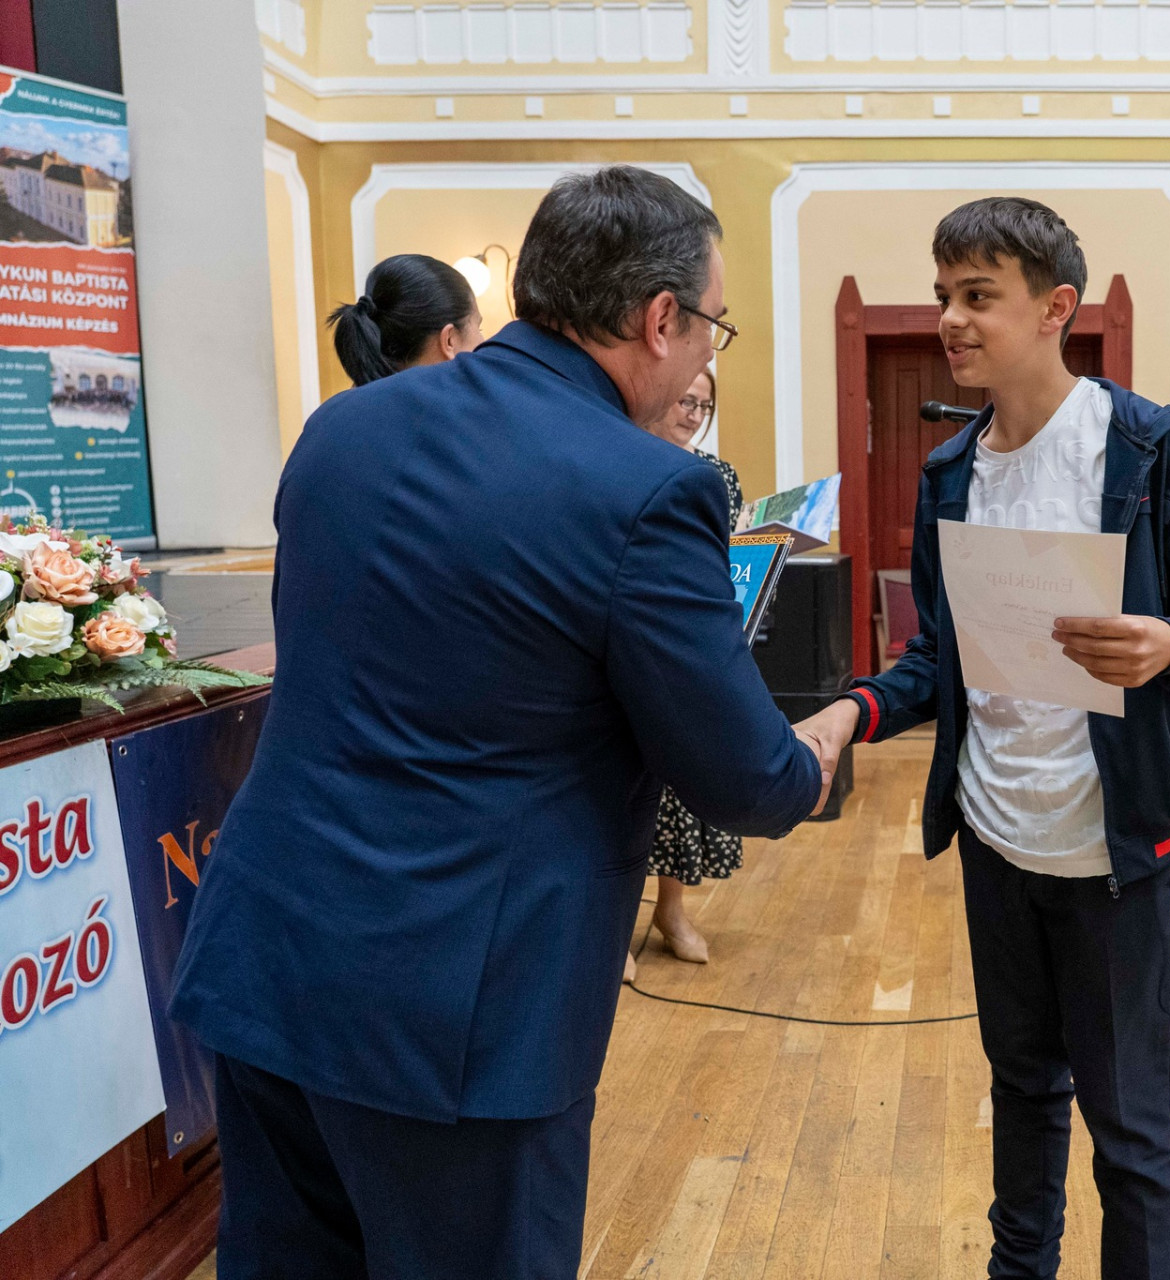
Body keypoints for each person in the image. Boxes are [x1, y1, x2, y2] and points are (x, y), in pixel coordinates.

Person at [170, 167, 836, 1280]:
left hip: (266, 958)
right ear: (658, 319)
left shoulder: (341, 428)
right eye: (711, 328)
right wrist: (821, 746)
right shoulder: (648, 489)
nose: (704, 360)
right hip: (456, 1020)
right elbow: (741, 778)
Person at [796, 197, 1170, 1280]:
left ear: (1055, 308)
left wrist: (1169, 642)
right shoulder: (951, 472)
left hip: (1114, 851)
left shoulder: (1143, 447)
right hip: (997, 841)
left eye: (977, 296)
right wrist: (848, 713)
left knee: (1130, 1131)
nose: (949, 317)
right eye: (943, 295)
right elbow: (936, 653)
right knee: (1024, 1090)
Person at [633, 366, 741, 967]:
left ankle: (671, 910)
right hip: (631, 642)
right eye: (684, 401)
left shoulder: (719, 476)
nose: (693, 415)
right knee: (625, 790)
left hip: (692, 648)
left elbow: (726, 559)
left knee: (683, 784)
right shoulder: (621, 458)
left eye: (703, 406)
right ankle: (618, 923)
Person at [327, 253, 483, 386]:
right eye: (479, 328)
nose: (483, 340)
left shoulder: (341, 408)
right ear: (449, 340)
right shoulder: (470, 410)